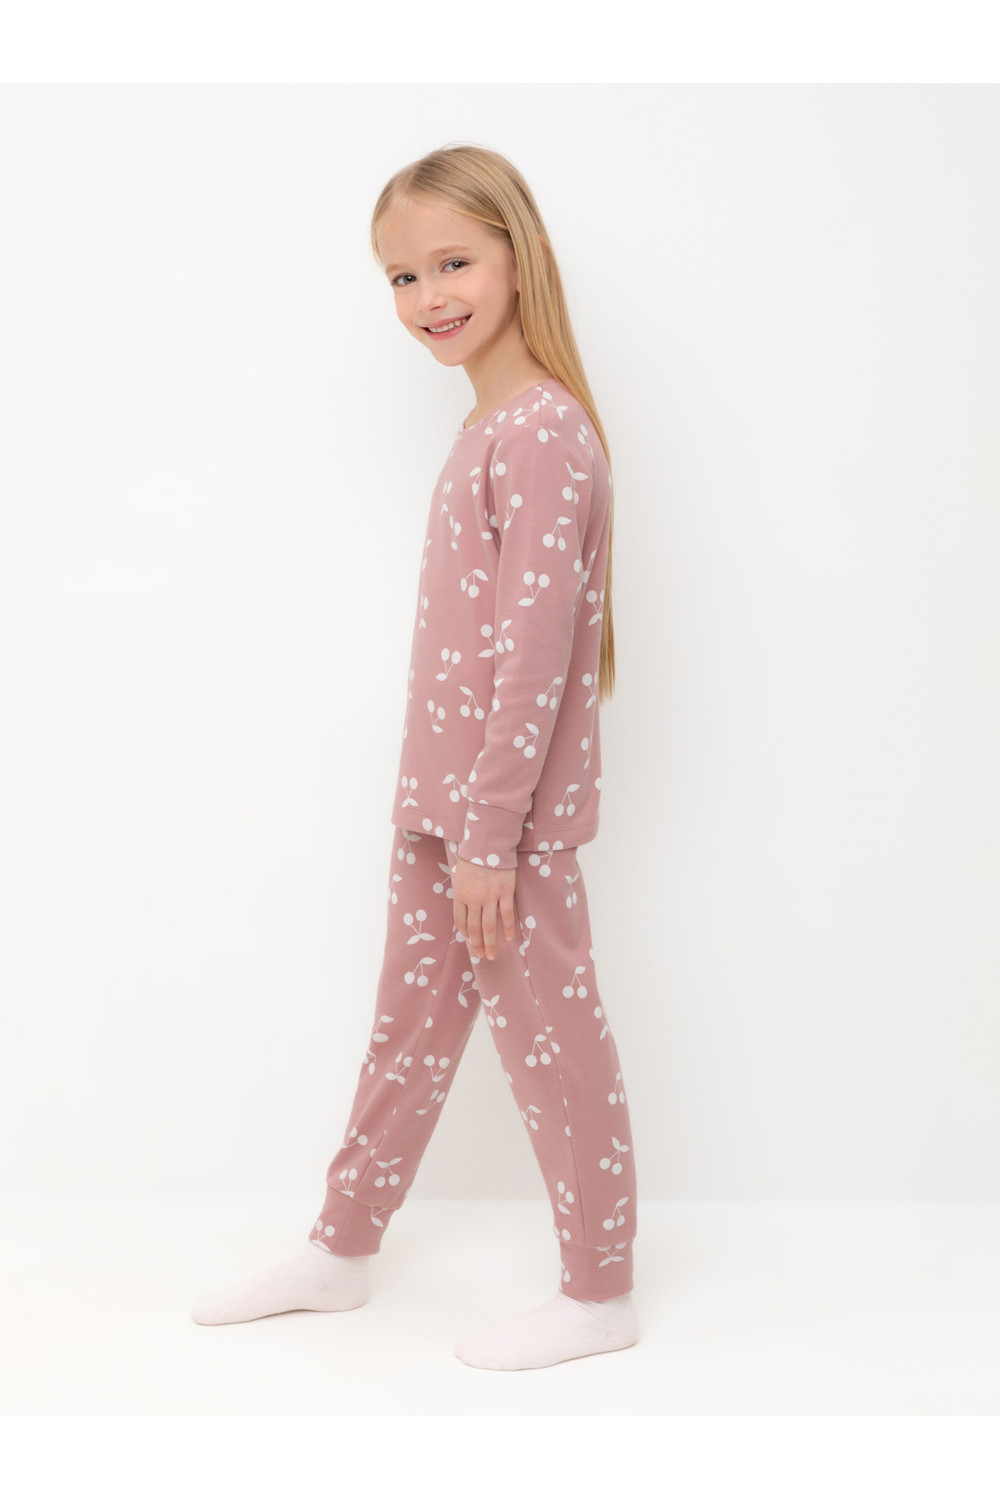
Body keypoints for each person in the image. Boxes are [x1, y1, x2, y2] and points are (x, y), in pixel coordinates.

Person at [190, 143, 640, 1370]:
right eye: (401, 277)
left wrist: (490, 837)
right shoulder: (490, 427)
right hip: (442, 812)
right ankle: (340, 1249)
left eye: (452, 264)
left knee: (555, 1049)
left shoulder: (539, 434)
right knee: (406, 1033)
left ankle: (600, 1293)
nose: (428, 297)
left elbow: (533, 660)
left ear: (518, 257)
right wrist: (444, 820)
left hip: (505, 830)